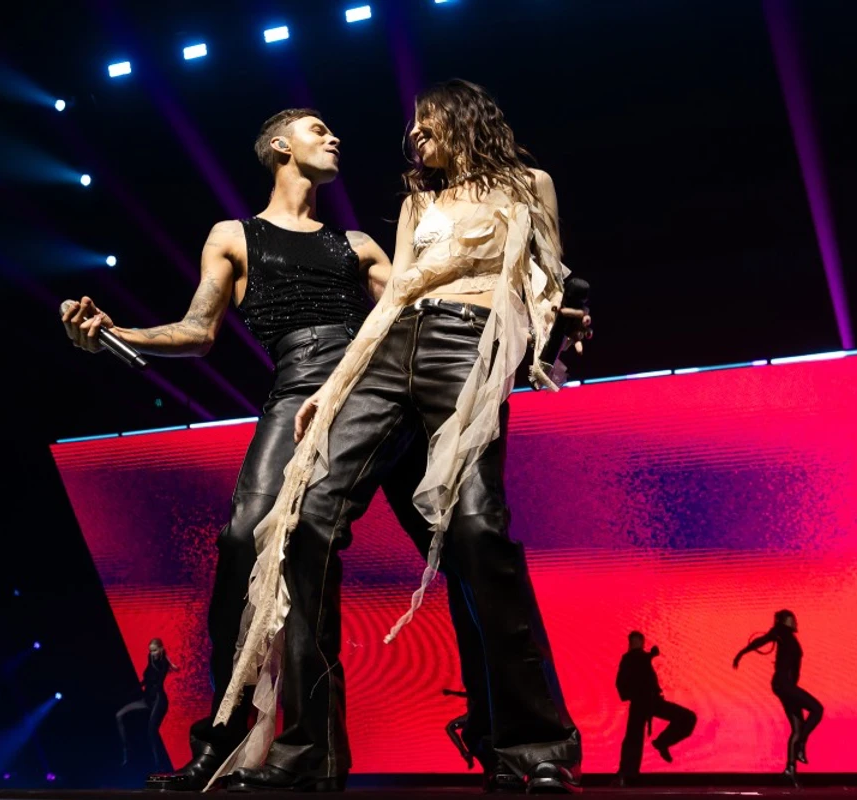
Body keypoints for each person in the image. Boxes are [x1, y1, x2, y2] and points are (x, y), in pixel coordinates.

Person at [62, 108, 493, 791]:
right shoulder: (234, 236)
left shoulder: (357, 244)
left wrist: (534, 304)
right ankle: (227, 744)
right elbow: (198, 330)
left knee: (462, 549)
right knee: (245, 543)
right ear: (279, 146)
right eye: (318, 130)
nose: (335, 136)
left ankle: (498, 737)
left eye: (333, 130)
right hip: (297, 389)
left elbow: (419, 304)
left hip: (378, 386)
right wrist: (118, 333)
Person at [214, 79, 591, 793]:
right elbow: (392, 297)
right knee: (301, 520)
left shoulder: (529, 185)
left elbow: (545, 279)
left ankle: (534, 747)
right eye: (412, 127)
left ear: (461, 116)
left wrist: (562, 322)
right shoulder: (420, 202)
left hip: (469, 347)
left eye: (425, 122)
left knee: (477, 531)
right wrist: (332, 386)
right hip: (390, 351)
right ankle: (311, 752)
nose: (414, 136)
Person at [733, 610, 823, 783]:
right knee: (817, 709)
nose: (795, 622)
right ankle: (801, 744)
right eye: (791, 619)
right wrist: (741, 653)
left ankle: (790, 769)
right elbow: (762, 640)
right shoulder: (780, 632)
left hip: (786, 686)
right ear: (783, 621)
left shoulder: (788, 636)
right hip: (784, 685)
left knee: (797, 728)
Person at [614, 632, 696, 786]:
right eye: (634, 641)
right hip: (640, 703)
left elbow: (640, 661)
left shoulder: (640, 658)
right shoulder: (631, 658)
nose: (637, 644)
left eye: (638, 641)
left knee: (688, 718)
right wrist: (651, 655)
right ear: (631, 643)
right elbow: (627, 674)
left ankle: (662, 742)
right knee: (633, 739)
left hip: (652, 701)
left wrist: (650, 655)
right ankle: (627, 775)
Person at [116, 638, 179, 771]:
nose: (152, 653)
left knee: (151, 731)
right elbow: (146, 679)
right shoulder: (150, 658)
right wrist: (134, 690)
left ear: (161, 649)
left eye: (154, 650)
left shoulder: (163, 662)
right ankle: (127, 752)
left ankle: (158, 765)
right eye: (150, 651)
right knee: (119, 715)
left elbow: (159, 681)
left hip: (159, 700)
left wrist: (167, 662)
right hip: (147, 699)